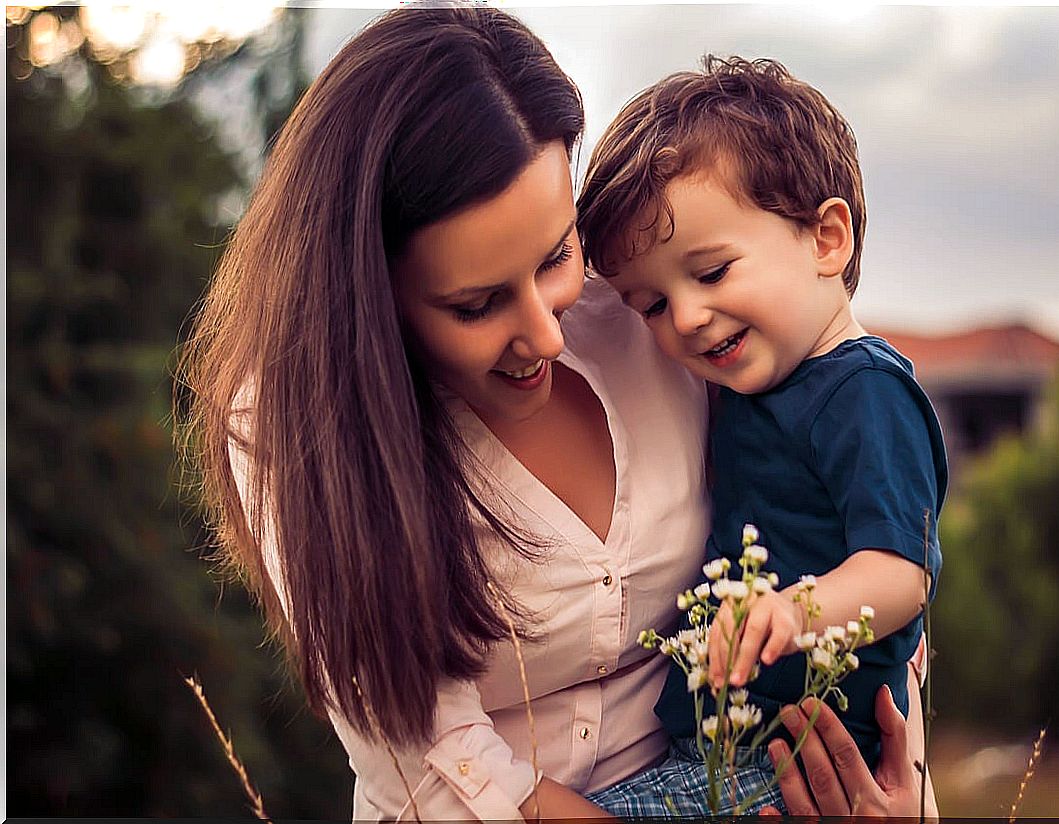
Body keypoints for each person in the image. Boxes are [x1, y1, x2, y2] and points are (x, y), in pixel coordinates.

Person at [178, 8, 936, 821]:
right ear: (372, 300)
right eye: (476, 304)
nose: (547, 332)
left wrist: (904, 790)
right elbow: (434, 768)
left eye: (556, 258)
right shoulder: (293, 428)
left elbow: (869, 556)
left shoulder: (662, 313)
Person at [576, 56, 946, 811]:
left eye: (710, 273)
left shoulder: (865, 391)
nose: (683, 318)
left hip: (799, 761)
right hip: (730, 744)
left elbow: (901, 573)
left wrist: (790, 610)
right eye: (650, 303)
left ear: (826, 238)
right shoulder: (749, 382)